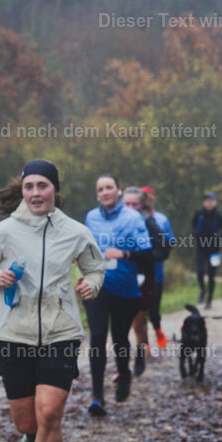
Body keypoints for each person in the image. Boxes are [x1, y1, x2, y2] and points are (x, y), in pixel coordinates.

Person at [0, 159, 105, 442]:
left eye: (42, 186)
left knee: (50, 413)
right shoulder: (4, 231)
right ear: (23, 190)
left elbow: (96, 267)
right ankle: (31, 438)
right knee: (25, 420)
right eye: (29, 186)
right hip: (13, 333)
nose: (35, 193)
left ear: (54, 191)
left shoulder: (75, 231)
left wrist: (90, 284)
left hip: (61, 331)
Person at [82, 175, 154, 415]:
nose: (105, 192)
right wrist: (83, 272)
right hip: (98, 285)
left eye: (109, 188)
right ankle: (97, 396)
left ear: (118, 191)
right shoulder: (91, 217)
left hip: (125, 288)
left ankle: (124, 374)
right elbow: (84, 250)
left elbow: (147, 254)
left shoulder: (133, 218)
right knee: (98, 335)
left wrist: (122, 254)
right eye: (100, 189)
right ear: (97, 194)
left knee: (119, 337)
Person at [121, 186, 167, 376]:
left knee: (138, 323)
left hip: (144, 278)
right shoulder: (115, 222)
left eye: (135, 204)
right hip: (120, 277)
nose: (131, 208)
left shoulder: (149, 223)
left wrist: (142, 257)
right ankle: (122, 364)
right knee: (121, 324)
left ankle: (140, 355)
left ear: (142, 205)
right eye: (127, 204)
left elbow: (163, 249)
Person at [140, 186, 175, 348]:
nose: (147, 201)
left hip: (156, 272)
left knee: (154, 310)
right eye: (144, 198)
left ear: (153, 200)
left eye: (149, 198)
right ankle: (144, 343)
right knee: (140, 312)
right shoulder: (134, 217)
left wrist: (167, 244)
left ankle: (158, 329)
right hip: (137, 272)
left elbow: (169, 240)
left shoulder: (161, 219)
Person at [192, 191, 222, 309]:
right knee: (199, 271)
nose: (209, 203)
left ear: (215, 202)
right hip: (201, 248)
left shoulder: (219, 217)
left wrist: (219, 238)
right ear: (204, 202)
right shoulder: (198, 215)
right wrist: (196, 235)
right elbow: (193, 227)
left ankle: (209, 300)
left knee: (212, 275)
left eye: (211, 201)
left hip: (215, 250)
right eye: (207, 201)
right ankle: (203, 290)